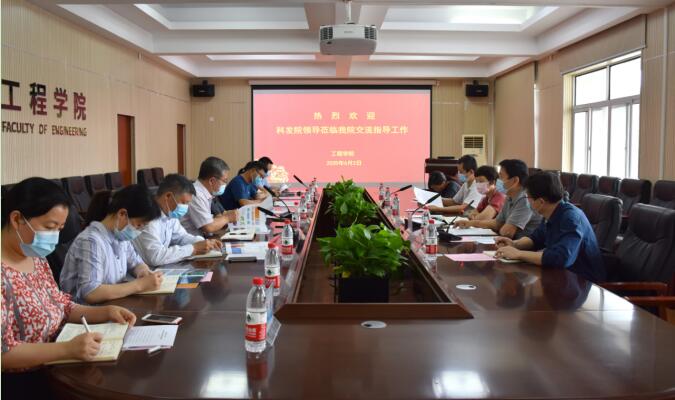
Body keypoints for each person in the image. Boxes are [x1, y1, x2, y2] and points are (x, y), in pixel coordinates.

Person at [1, 178, 136, 382]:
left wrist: (106, 312)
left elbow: (61, 305)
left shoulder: (34, 256)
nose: (55, 237)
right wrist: (66, 349)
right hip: (21, 381)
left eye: (60, 228)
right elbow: (3, 354)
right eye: (50, 227)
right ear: (17, 219)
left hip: (56, 365)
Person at [494, 172, 606, 283]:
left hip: (583, 281)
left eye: (528, 197)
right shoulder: (550, 213)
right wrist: (514, 244)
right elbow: (536, 239)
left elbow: (561, 258)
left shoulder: (571, 218)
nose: (527, 201)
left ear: (541, 202)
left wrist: (518, 254)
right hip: (561, 276)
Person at [60, 185, 163, 304]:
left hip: (112, 305)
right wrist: (139, 285)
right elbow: (90, 292)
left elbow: (136, 263)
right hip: (86, 312)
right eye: (139, 225)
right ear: (122, 214)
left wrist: (143, 272)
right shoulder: (91, 241)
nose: (138, 230)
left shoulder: (120, 236)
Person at [133, 174, 223, 267]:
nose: (185, 207)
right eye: (183, 202)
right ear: (168, 196)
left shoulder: (169, 213)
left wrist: (204, 243)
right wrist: (193, 248)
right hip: (144, 271)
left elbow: (181, 237)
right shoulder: (147, 217)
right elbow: (155, 256)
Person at [456, 159, 541, 238]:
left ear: (515, 180)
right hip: (509, 242)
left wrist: (500, 226)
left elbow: (507, 232)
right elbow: (497, 223)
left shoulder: (525, 199)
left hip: (522, 245)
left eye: (501, 176)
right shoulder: (510, 196)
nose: (498, 180)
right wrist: (470, 223)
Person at [181, 156, 237, 236]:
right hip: (190, 241)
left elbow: (210, 221)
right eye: (224, 181)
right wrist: (227, 218)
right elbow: (208, 227)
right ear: (211, 181)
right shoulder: (196, 194)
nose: (225, 184)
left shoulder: (206, 193)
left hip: (200, 239)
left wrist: (225, 219)